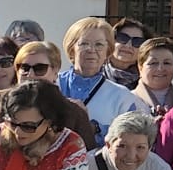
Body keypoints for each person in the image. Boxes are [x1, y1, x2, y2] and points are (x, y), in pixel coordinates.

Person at [59, 17, 146, 145]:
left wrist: (96, 128)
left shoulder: (122, 96)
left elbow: (131, 140)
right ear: (72, 49)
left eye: (99, 45)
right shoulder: (53, 84)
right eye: (84, 43)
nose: (91, 49)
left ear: (107, 52)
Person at [133, 36, 173, 119]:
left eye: (167, 63)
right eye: (153, 63)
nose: (160, 68)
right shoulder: (127, 101)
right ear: (140, 67)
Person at [107, 18, 151, 89]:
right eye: (122, 38)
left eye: (137, 41)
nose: (128, 45)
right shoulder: (93, 72)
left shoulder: (148, 81)